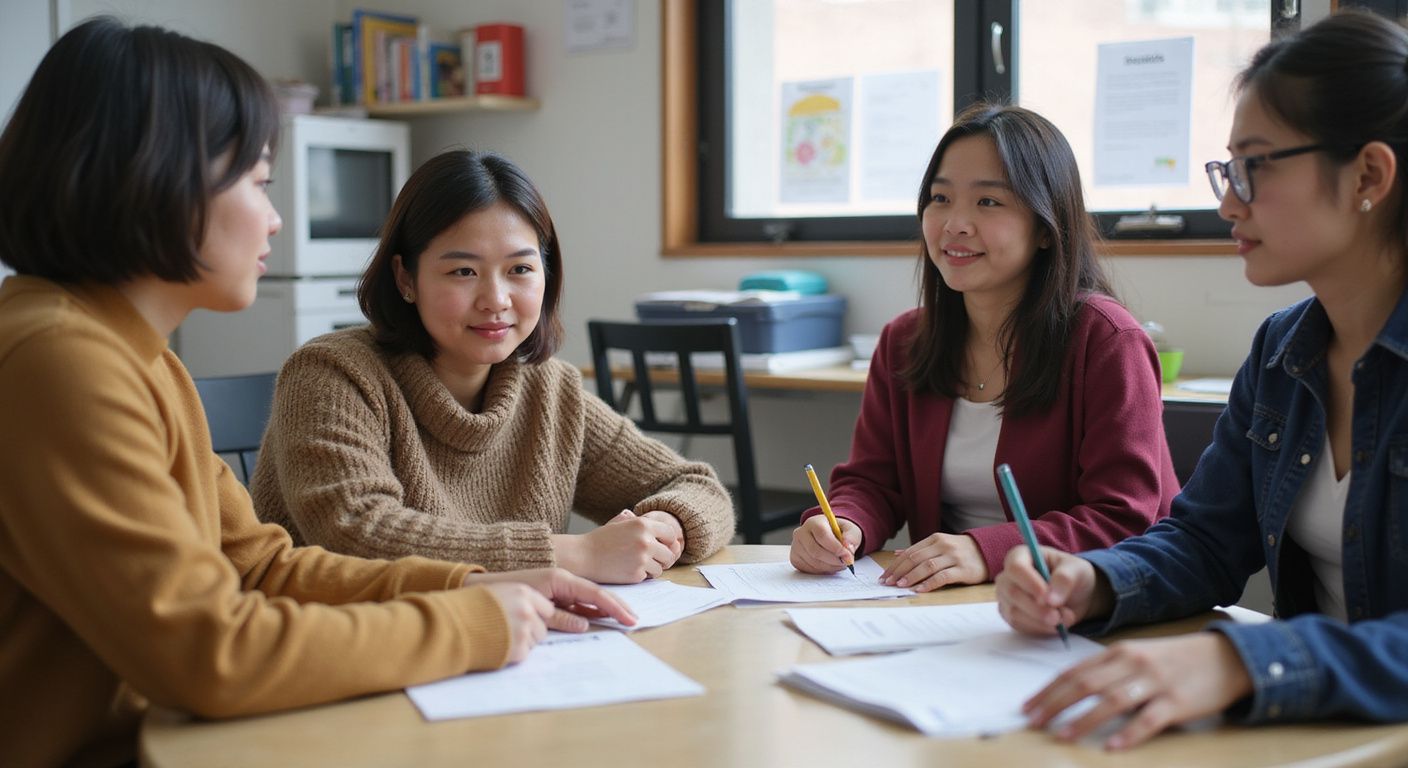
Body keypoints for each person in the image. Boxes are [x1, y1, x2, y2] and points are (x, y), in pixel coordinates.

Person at [0, 19, 633, 767]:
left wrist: (473, 581)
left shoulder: (137, 357)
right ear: (156, 177)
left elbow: (263, 568)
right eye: (258, 183)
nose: (273, 218)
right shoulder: (56, 359)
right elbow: (210, 651)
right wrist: (471, 624)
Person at [995, 9, 1408, 750]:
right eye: (1228, 169)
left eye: (1255, 166)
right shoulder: (1284, 351)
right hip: (1322, 732)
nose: (1227, 202)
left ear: (1369, 176)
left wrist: (1240, 661)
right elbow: (1206, 541)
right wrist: (1096, 581)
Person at [250, 149, 736, 583]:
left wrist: (663, 526)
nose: (496, 300)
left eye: (520, 269)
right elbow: (356, 531)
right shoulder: (331, 375)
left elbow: (698, 488)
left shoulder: (551, 391)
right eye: (463, 271)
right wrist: (575, 554)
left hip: (497, 652)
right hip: (341, 651)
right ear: (405, 278)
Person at [789, 104, 1177, 590]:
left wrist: (985, 550)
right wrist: (843, 523)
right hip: (949, 608)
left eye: (988, 202)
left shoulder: (1106, 341)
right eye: (940, 198)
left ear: (1044, 225)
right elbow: (874, 482)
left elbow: (1124, 517)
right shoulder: (905, 342)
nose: (954, 224)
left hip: (1084, 607)